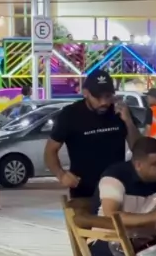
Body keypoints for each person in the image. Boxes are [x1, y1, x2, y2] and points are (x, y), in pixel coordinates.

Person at [44, 70, 140, 199]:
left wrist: (128, 122)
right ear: (85, 93)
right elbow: (50, 151)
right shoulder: (70, 115)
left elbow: (138, 148)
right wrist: (61, 174)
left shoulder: (120, 112)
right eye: (97, 97)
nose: (104, 102)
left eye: (108, 96)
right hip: (84, 192)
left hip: (117, 189)